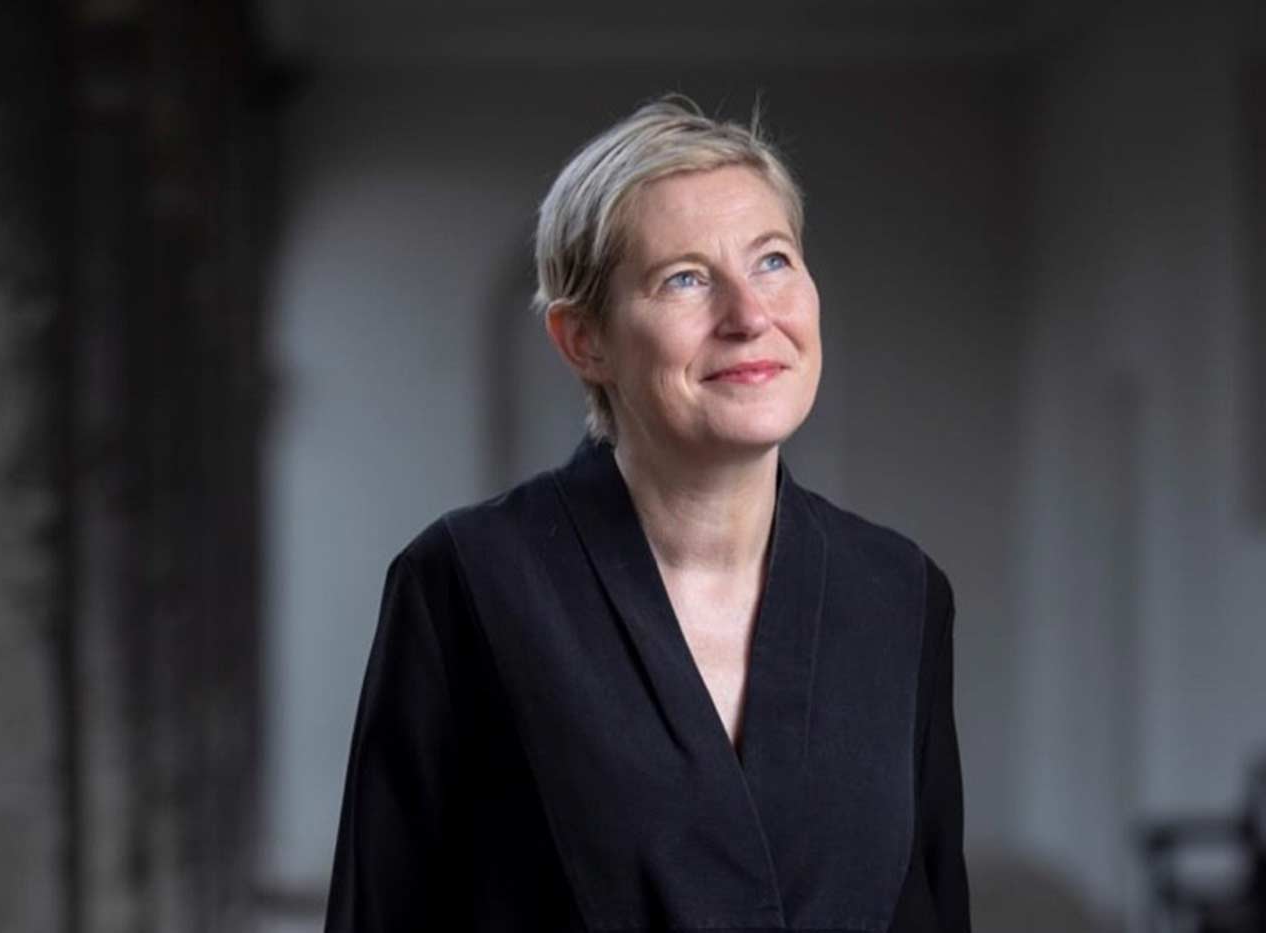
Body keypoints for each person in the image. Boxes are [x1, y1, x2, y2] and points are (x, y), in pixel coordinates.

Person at [324, 95, 971, 933]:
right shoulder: (468, 585)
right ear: (582, 339)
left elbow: (929, 912)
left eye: (773, 261)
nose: (750, 316)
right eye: (686, 279)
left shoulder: (899, 592)